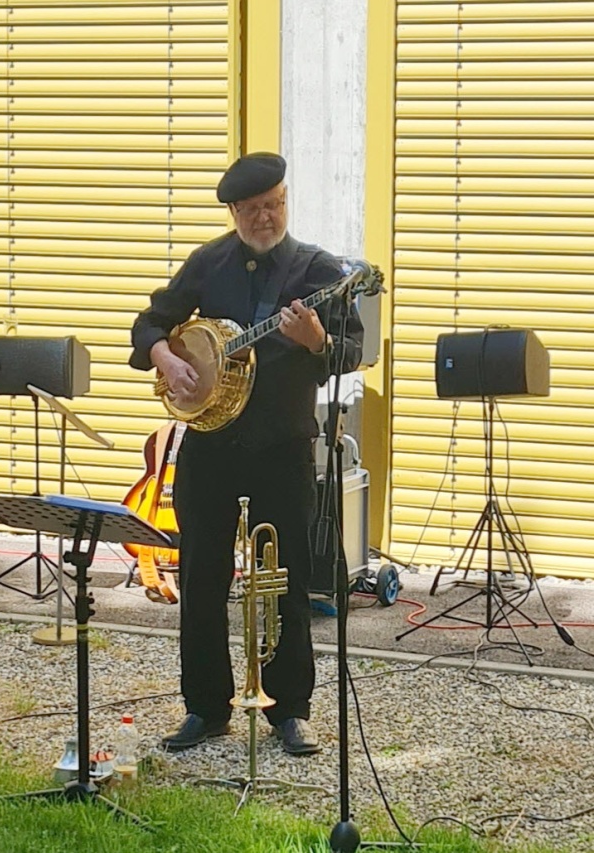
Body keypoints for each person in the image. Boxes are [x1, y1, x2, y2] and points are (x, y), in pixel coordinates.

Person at [129, 152, 364, 755]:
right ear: (234, 211)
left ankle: (290, 711)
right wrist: (168, 358)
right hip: (208, 443)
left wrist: (316, 339)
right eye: (254, 208)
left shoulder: (320, 270)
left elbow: (351, 352)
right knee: (202, 577)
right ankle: (206, 708)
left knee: (285, 579)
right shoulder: (208, 263)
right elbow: (148, 325)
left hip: (281, 447)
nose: (267, 215)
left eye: (277, 203)